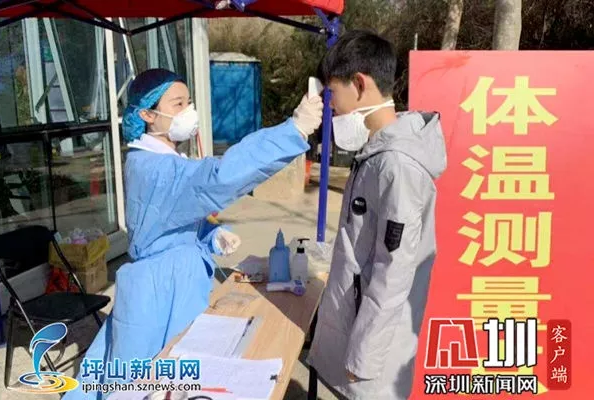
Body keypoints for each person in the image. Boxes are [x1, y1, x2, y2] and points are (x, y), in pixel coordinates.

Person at [65, 68, 323, 399]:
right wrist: (292, 131)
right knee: (144, 383)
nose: (188, 110)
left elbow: (171, 218)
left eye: (188, 101)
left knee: (176, 374)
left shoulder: (162, 160)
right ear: (147, 114)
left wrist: (211, 234)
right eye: (177, 104)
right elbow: (219, 177)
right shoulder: (154, 168)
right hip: (160, 291)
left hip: (174, 280)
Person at [307, 30, 447, 399]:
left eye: (333, 95)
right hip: (357, 329)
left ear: (359, 84)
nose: (332, 108)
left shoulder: (397, 165)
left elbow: (394, 271)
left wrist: (364, 357)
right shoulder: (377, 153)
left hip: (374, 352)